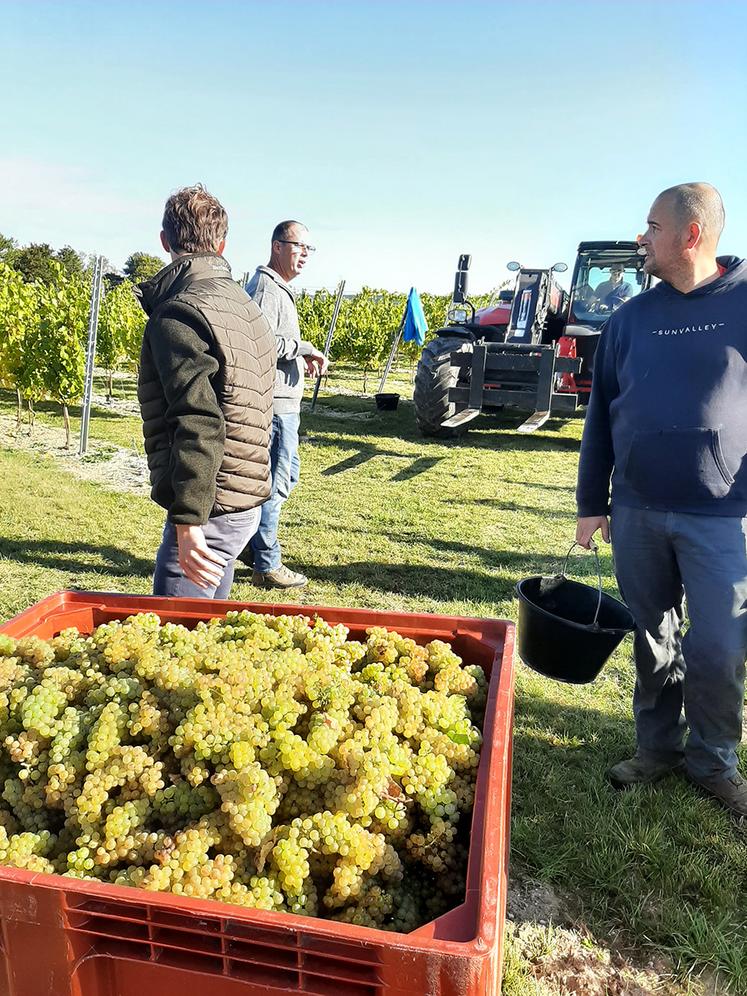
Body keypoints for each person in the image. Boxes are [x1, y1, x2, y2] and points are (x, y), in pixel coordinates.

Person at [575, 182, 747, 818]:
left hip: (719, 514)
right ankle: (656, 749)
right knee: (653, 637)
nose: (641, 238)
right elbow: (599, 415)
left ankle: (713, 762)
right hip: (639, 510)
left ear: (691, 235)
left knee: (722, 646)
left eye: (651, 226)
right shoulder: (629, 320)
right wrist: (593, 501)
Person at [136, 184, 276, 599]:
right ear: (222, 243)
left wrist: (189, 520)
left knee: (175, 637)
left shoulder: (180, 312)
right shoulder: (244, 306)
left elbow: (200, 420)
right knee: (207, 628)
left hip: (212, 503)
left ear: (165, 241)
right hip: (244, 496)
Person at [238, 220, 328, 589]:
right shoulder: (266, 289)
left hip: (285, 402)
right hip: (274, 405)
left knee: (286, 476)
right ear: (277, 246)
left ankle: (252, 546)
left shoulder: (278, 289)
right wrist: (302, 348)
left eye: (309, 249)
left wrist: (296, 356)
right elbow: (259, 342)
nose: (305, 254)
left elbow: (276, 343)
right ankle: (267, 564)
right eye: (299, 246)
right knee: (274, 483)